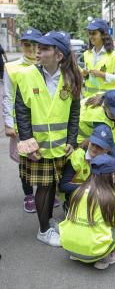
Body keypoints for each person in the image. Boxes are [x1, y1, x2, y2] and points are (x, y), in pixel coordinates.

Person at [15, 31, 82, 246]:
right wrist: (28, 143)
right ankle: (43, 230)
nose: (38, 52)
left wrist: (72, 140)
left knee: (52, 184)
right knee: (44, 187)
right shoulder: (26, 75)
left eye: (44, 49)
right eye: (38, 48)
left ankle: (49, 220)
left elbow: (74, 111)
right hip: (39, 147)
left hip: (61, 146)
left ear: (58, 55)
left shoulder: (71, 76)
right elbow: (22, 111)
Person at [59, 154, 115, 269]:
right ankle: (105, 258)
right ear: (113, 176)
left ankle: (76, 253)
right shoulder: (112, 198)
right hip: (95, 252)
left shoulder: (78, 191)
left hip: (69, 246)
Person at [2, 27, 42, 213]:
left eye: (35, 45)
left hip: (43, 122)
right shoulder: (12, 67)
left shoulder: (45, 65)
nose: (32, 49)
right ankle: (28, 195)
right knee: (25, 160)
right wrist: (8, 123)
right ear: (21, 45)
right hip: (21, 125)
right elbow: (8, 97)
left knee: (43, 157)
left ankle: (44, 191)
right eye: (27, 45)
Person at [78, 89, 115, 183]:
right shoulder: (100, 119)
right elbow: (110, 144)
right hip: (81, 139)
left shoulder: (106, 97)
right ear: (105, 107)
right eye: (113, 113)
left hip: (94, 136)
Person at [59, 124, 114, 211]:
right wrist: (89, 187)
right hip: (76, 193)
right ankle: (68, 206)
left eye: (100, 146)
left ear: (107, 149)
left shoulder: (109, 160)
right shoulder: (77, 157)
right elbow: (62, 186)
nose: (94, 148)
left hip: (97, 193)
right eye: (93, 144)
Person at [82, 18, 115, 97]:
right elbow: (87, 79)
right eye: (89, 33)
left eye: (94, 33)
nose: (91, 36)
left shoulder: (114, 56)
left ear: (103, 35)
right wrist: (85, 75)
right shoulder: (86, 54)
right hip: (87, 101)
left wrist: (102, 74)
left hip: (105, 103)